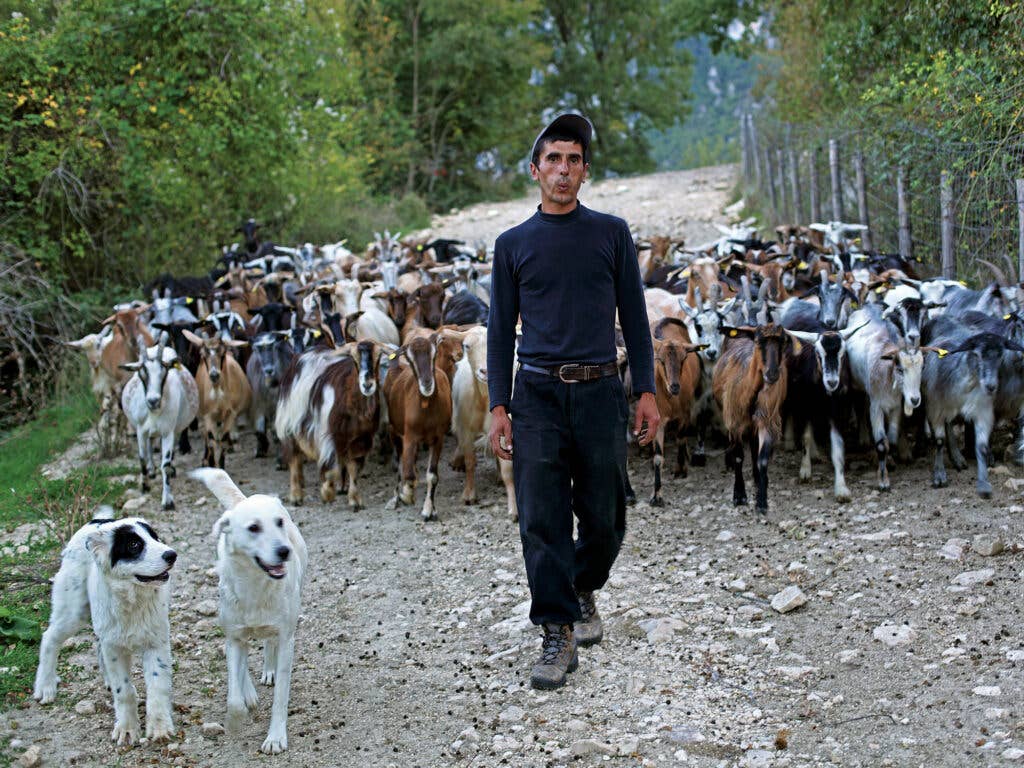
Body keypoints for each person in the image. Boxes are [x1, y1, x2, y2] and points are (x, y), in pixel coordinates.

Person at [487, 113, 660, 690]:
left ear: (586, 171)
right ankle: (556, 629)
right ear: (535, 170)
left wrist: (646, 391)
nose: (563, 170)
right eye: (553, 160)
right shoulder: (512, 245)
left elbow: (635, 318)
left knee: (607, 517)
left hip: (599, 391)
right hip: (534, 392)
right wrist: (497, 404)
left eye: (574, 160)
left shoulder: (610, 234)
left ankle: (583, 584)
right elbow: (497, 329)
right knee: (541, 519)